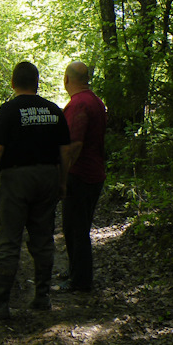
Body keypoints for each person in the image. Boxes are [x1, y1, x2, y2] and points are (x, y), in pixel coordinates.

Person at [0, 61, 71, 318]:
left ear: (13, 83)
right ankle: (42, 297)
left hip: (16, 178)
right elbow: (65, 151)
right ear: (37, 83)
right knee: (43, 237)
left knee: (8, 237)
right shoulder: (54, 110)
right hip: (48, 176)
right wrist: (62, 182)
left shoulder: (8, 111)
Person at [58, 61, 107, 292]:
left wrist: (62, 176)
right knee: (75, 226)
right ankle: (75, 269)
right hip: (94, 172)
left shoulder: (79, 104)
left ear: (67, 79)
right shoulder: (95, 101)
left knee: (76, 228)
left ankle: (81, 280)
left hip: (81, 175)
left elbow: (73, 145)